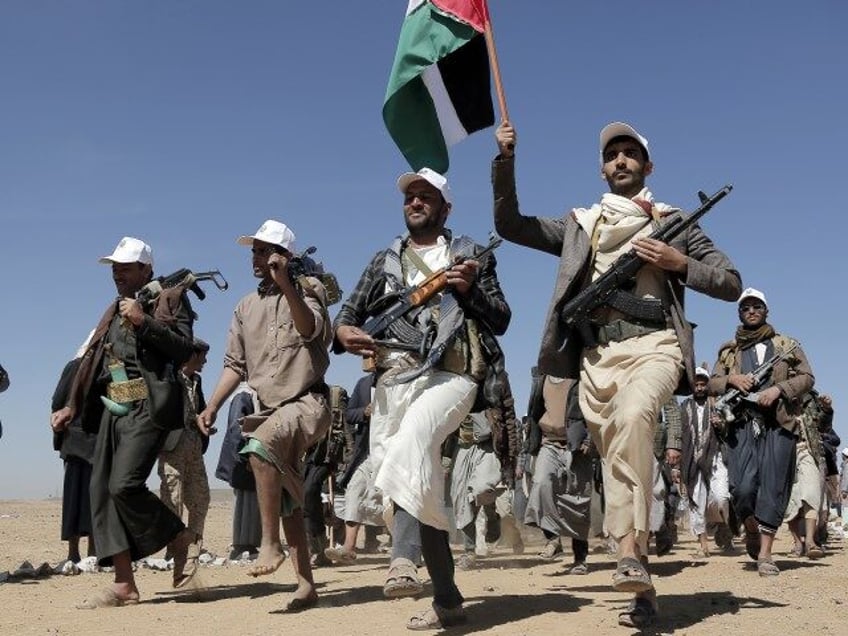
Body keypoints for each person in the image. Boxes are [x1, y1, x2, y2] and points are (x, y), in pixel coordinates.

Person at [493, 120, 741, 628]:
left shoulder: (675, 220)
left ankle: (628, 547)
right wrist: (506, 160)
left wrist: (677, 262)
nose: (621, 161)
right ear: (603, 169)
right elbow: (510, 225)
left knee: (633, 422)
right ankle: (641, 585)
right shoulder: (582, 225)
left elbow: (730, 282)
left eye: (630, 154)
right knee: (616, 462)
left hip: (657, 345)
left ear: (648, 167)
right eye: (612, 155)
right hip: (596, 359)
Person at [334, 167, 511, 630]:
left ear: (445, 207)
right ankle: (448, 599)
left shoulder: (470, 255)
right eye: (410, 196)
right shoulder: (384, 261)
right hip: (395, 380)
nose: (415, 202)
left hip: (454, 377)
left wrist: (468, 290)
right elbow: (347, 316)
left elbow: (502, 318)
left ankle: (401, 560)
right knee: (420, 483)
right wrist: (346, 333)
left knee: (414, 440)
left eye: (426, 196)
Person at [50, 236, 198, 607]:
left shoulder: (170, 298)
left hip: (149, 407)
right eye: (114, 267)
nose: (117, 273)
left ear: (145, 269)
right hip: (114, 409)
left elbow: (183, 349)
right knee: (101, 491)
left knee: (124, 485)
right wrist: (72, 405)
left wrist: (143, 321)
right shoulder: (112, 311)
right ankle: (124, 584)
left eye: (125, 267)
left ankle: (178, 538)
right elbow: (93, 361)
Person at [197, 220, 331, 612]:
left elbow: (311, 332)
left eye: (264, 250)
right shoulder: (244, 307)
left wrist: (287, 283)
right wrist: (212, 405)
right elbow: (234, 365)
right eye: (254, 251)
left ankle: (268, 543)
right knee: (287, 495)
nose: (256, 258)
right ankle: (306, 585)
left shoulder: (310, 290)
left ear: (285, 256)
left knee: (259, 448)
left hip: (307, 403)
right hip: (268, 409)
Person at [709, 287, 814, 576]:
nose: (752, 311)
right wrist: (732, 379)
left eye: (757, 307)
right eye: (746, 308)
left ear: (766, 311)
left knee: (774, 487)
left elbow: (807, 377)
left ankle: (766, 554)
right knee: (741, 489)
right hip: (742, 423)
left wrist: (780, 389)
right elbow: (712, 383)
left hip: (779, 424)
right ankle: (751, 528)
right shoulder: (729, 351)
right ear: (739, 313)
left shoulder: (785, 344)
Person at [523, 372, 593, 574]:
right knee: (542, 484)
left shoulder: (580, 374)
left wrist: (589, 439)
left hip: (578, 446)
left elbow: (596, 407)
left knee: (578, 501)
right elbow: (534, 411)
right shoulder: (540, 378)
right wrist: (530, 442)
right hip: (549, 443)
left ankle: (580, 559)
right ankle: (553, 539)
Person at [157, 338, 211, 553]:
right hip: (172, 449)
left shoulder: (196, 381)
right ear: (192, 355)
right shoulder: (169, 378)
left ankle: (193, 544)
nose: (205, 361)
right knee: (172, 498)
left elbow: (201, 409)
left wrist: (203, 422)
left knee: (201, 498)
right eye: (203, 356)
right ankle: (173, 548)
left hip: (194, 449)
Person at [679, 366, 732, 558]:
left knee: (721, 498)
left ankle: (723, 525)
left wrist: (721, 424)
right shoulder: (684, 407)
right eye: (696, 384)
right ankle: (703, 545)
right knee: (696, 501)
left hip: (716, 457)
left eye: (703, 384)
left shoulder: (718, 404)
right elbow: (677, 435)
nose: (700, 388)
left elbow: (729, 429)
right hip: (691, 460)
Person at [52, 351, 97, 564]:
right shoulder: (75, 366)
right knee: (76, 497)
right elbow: (58, 401)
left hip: (98, 442)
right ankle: (74, 553)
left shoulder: (113, 366)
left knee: (96, 497)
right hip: (77, 441)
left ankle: (92, 552)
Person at [214, 382, 262, 560]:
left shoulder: (248, 396)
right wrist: (245, 457)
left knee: (251, 499)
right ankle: (243, 545)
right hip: (244, 456)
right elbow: (237, 429)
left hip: (246, 455)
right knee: (246, 499)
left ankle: (247, 544)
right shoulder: (244, 396)